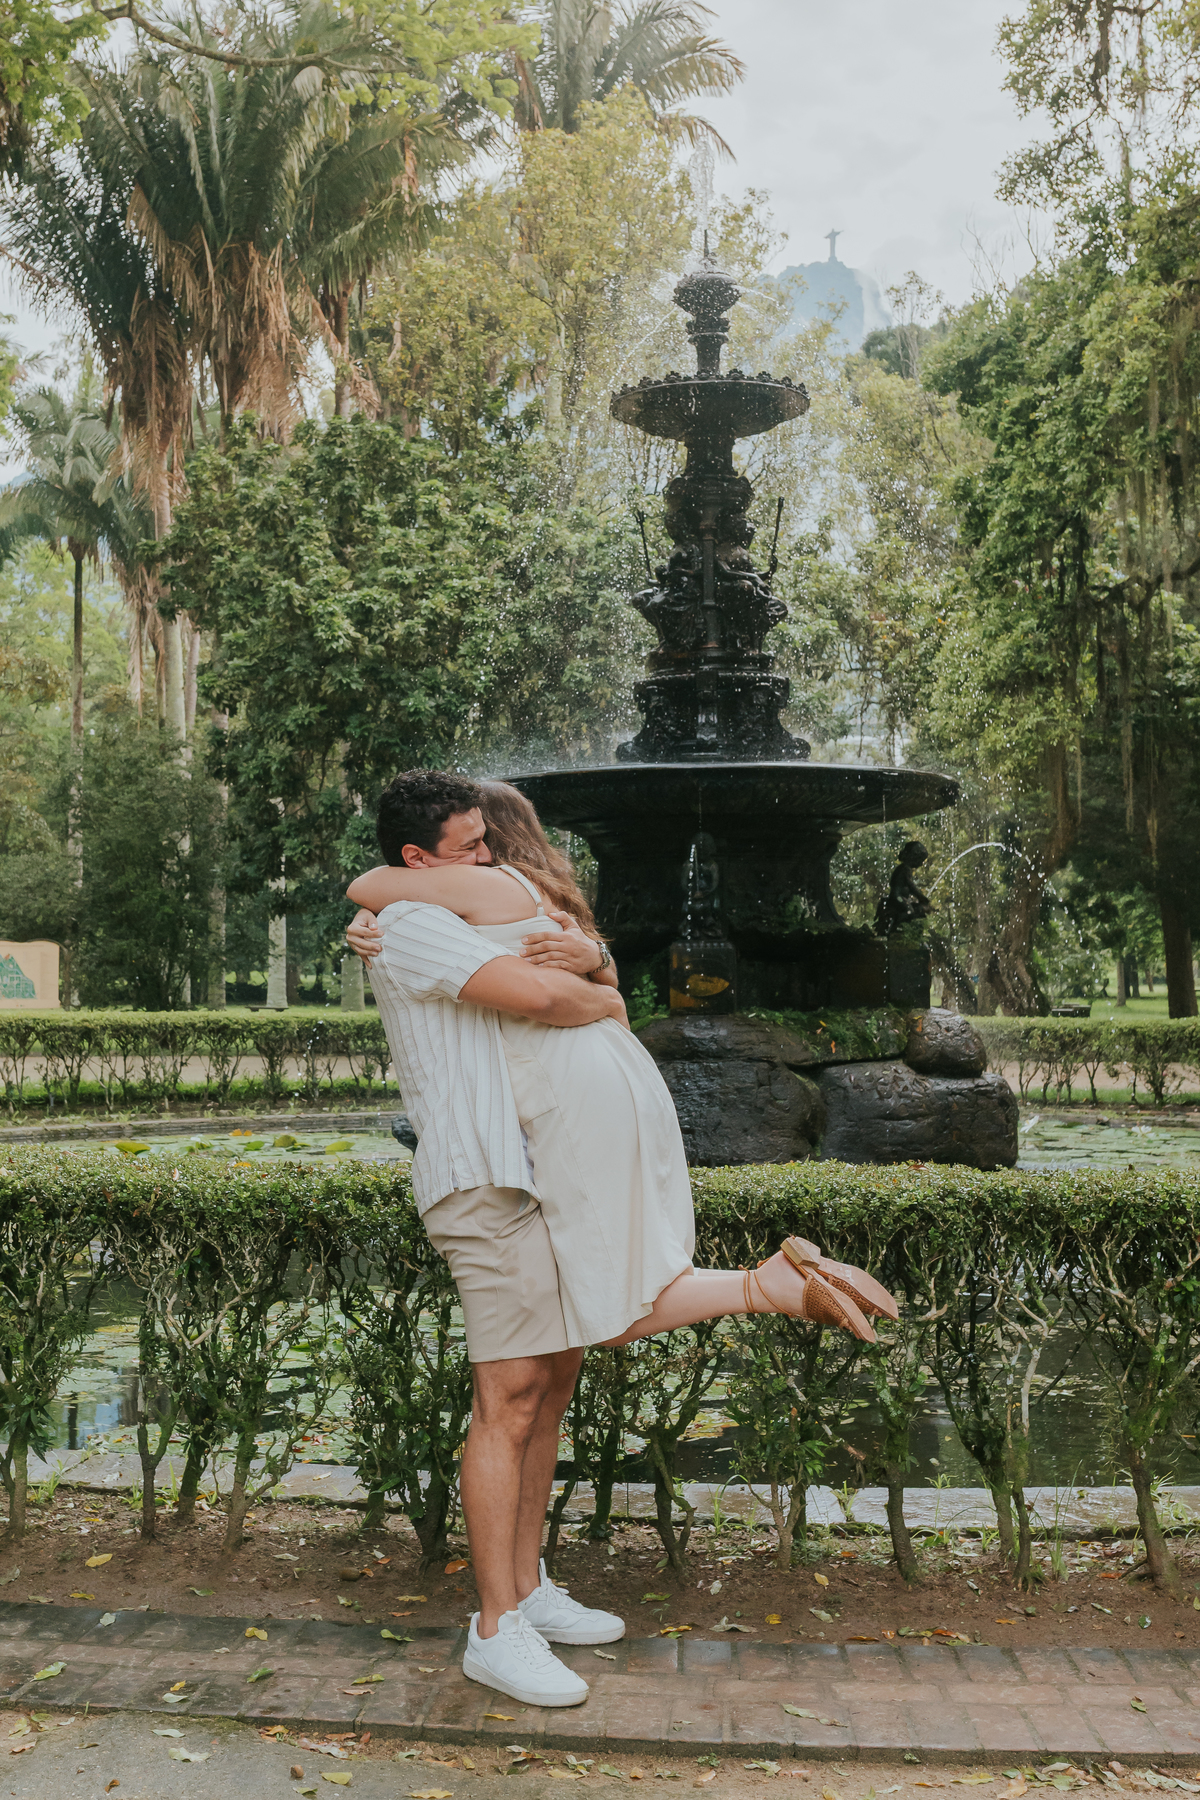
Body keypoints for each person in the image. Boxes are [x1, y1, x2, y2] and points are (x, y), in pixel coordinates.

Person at [346, 770, 897, 1711]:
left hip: (533, 1164)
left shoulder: (466, 904)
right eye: (470, 847)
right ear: (417, 860)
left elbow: (580, 970)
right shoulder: (408, 922)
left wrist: (594, 964)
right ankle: (495, 1629)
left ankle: (528, 1590)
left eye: (490, 841)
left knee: (551, 1386)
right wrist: (598, 993)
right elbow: (541, 998)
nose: (490, 857)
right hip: (483, 1176)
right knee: (509, 1396)